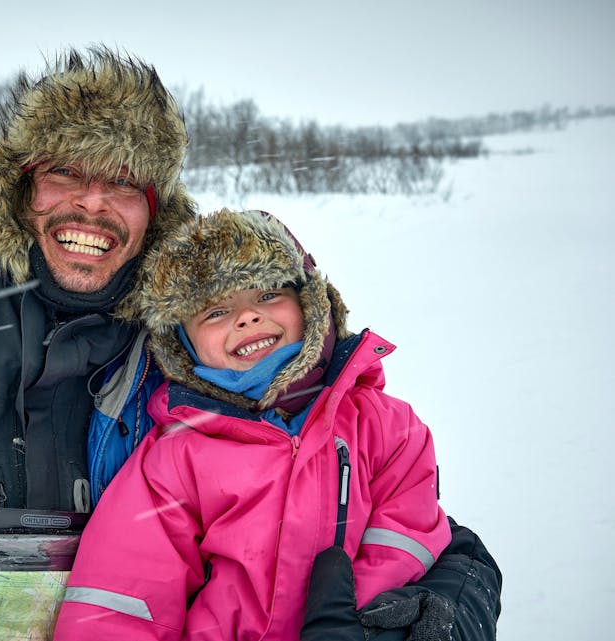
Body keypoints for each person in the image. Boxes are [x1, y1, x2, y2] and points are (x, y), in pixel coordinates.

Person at [0, 48, 500, 641]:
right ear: (19, 188)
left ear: (153, 212)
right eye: (65, 173)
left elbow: (330, 484)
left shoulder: (195, 356)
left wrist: (452, 590)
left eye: (123, 182)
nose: (93, 204)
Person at [54, 209, 496, 640]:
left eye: (267, 295)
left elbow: (406, 541)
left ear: (310, 304)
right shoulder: (172, 460)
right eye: (215, 312)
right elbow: (120, 602)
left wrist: (365, 621)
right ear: (182, 344)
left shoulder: (384, 426)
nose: (247, 318)